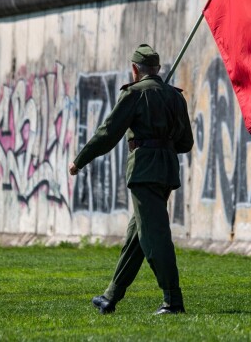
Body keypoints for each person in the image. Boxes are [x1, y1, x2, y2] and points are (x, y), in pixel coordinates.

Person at [69, 44, 194, 315]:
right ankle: (110, 297)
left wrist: (80, 160)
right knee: (137, 236)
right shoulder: (175, 97)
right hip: (166, 171)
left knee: (155, 237)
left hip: (143, 171)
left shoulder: (134, 94)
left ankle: (173, 301)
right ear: (157, 70)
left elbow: (108, 133)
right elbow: (186, 143)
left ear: (135, 70)